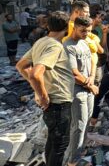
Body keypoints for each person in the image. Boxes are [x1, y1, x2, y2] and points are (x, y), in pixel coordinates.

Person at [15, 11, 73, 166]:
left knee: (53, 142)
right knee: (60, 144)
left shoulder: (42, 42)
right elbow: (35, 73)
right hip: (58, 102)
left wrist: (39, 90)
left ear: (48, 26)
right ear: (67, 27)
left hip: (53, 103)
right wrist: (42, 95)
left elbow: (21, 66)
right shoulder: (54, 46)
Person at [64, 17, 99, 164]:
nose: (86, 33)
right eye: (83, 30)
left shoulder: (84, 43)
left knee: (87, 121)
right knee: (78, 125)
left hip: (88, 87)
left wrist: (92, 76)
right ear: (75, 27)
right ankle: (73, 161)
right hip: (76, 90)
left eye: (88, 31)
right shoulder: (68, 46)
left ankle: (81, 151)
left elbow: (92, 60)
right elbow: (74, 73)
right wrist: (89, 84)